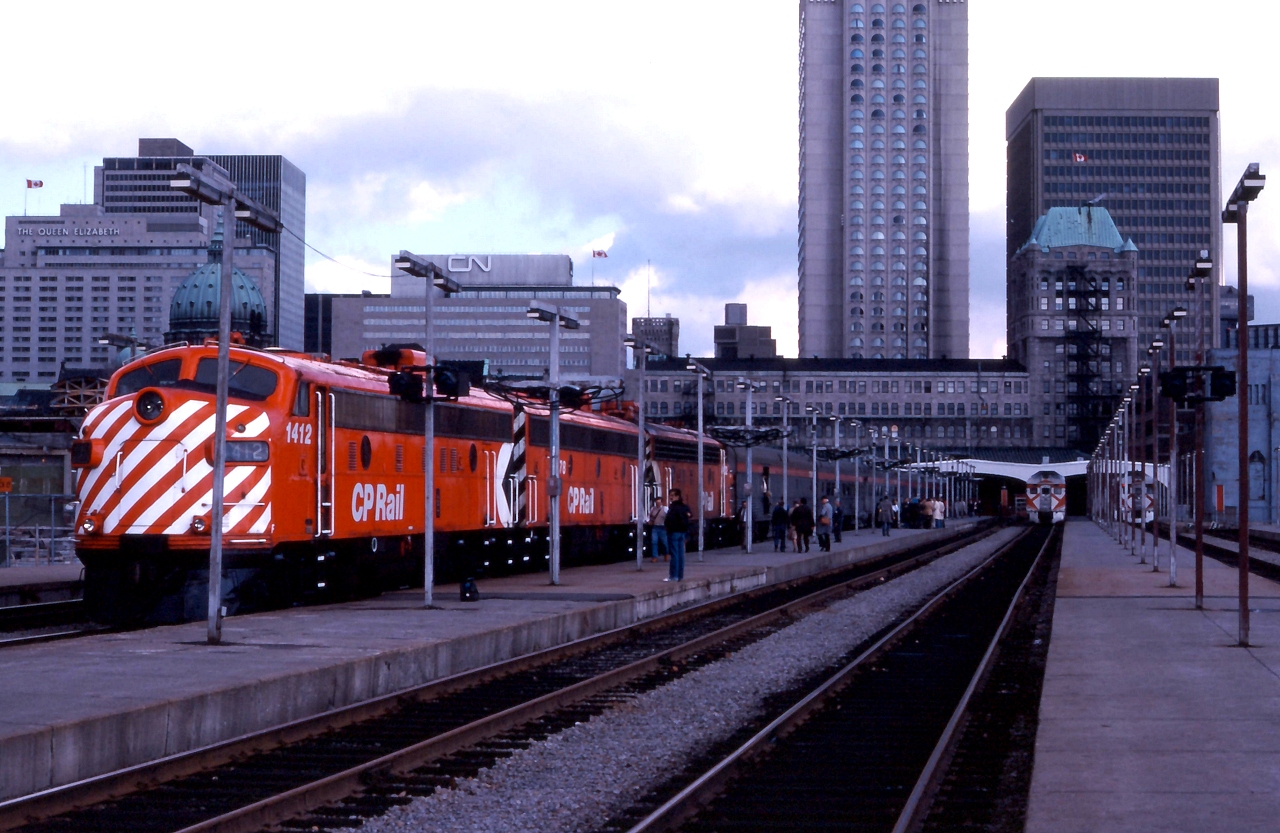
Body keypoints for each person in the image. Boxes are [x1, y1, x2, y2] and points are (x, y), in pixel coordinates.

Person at [664, 488, 692, 582]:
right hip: (683, 532)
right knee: (681, 555)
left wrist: (668, 528)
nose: (670, 497)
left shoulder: (673, 508)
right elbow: (690, 516)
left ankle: (673, 576)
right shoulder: (685, 507)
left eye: (672, 495)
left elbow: (670, 520)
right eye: (670, 495)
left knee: (674, 554)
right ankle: (680, 575)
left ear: (677, 496)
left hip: (674, 532)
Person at [647, 495, 668, 562]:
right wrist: (648, 521)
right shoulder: (653, 509)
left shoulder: (665, 509)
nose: (657, 504)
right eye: (656, 502)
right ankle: (654, 557)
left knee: (664, 543)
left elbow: (669, 517)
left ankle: (666, 554)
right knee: (654, 542)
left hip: (663, 527)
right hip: (655, 527)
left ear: (661, 502)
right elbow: (649, 516)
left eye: (659, 502)